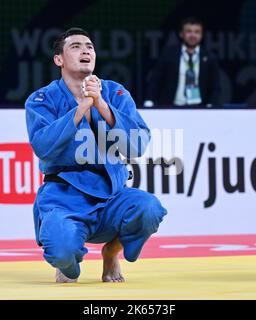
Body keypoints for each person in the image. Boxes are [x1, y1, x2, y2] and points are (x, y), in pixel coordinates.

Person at [24, 27, 167, 283]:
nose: (86, 50)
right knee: (62, 252)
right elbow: (42, 146)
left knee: (149, 209)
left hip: (112, 194)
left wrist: (101, 104)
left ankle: (112, 252)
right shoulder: (42, 99)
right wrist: (79, 110)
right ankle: (66, 261)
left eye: (89, 46)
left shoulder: (114, 93)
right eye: (76, 46)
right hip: (64, 196)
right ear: (59, 59)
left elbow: (137, 145)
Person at [144, 17, 222, 107]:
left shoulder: (210, 57)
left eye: (197, 32)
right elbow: (155, 80)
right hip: (171, 108)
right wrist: (149, 100)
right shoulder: (168, 54)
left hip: (200, 110)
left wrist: (210, 106)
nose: (193, 35)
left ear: (201, 35)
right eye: (189, 31)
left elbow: (215, 87)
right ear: (181, 34)